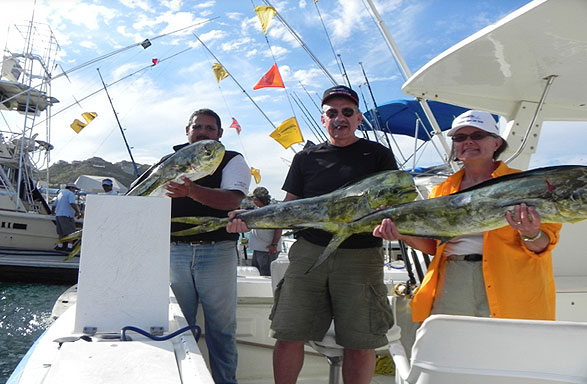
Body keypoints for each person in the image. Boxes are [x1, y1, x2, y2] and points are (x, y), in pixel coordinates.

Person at [228, 85, 398, 384]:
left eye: (347, 112)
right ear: (323, 120)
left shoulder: (379, 155)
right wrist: (250, 219)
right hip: (310, 251)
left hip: (360, 256)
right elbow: (289, 207)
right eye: (332, 113)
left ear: (358, 117)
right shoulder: (306, 158)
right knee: (288, 334)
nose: (339, 118)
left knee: (361, 341)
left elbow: (395, 201)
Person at [373, 109, 562, 322]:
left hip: (512, 281)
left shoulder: (527, 185)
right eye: (460, 137)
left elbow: (542, 246)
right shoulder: (442, 190)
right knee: (451, 348)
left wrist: (530, 232)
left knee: (508, 349)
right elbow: (435, 247)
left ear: (496, 143)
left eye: (477, 135)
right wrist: (402, 234)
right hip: (454, 277)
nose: (468, 142)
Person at [163, 108, 250, 384]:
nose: (203, 132)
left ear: (220, 134)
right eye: (197, 127)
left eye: (210, 128)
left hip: (217, 252)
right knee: (178, 326)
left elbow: (232, 201)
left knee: (221, 330)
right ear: (187, 131)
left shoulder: (232, 160)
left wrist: (191, 191)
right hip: (173, 251)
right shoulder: (167, 161)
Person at [248, 187, 281, 276]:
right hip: (258, 249)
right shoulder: (258, 210)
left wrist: (274, 245)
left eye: (253, 198)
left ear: (257, 199)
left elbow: (279, 228)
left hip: (267, 250)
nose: (252, 200)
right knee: (257, 274)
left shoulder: (272, 211)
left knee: (266, 276)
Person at [54, 183, 82, 251]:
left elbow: (54, 204)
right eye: (74, 189)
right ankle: (69, 247)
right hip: (67, 215)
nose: (75, 191)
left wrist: (53, 213)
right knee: (71, 232)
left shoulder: (60, 193)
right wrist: (78, 212)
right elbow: (72, 203)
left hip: (58, 214)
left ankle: (60, 246)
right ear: (71, 188)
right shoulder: (70, 194)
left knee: (61, 232)